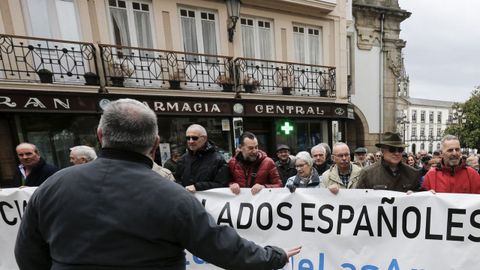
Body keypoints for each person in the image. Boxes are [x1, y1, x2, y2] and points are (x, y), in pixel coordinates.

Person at [15, 98, 301, 270]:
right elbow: (222, 246)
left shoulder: (52, 187)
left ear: (100, 135)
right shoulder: (171, 196)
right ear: (155, 145)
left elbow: (27, 254)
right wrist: (272, 257)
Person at [175, 124, 229, 193]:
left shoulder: (218, 160)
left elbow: (222, 185)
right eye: (188, 138)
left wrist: (198, 187)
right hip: (187, 201)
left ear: (204, 138)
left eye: (194, 138)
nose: (191, 141)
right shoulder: (182, 159)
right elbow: (177, 180)